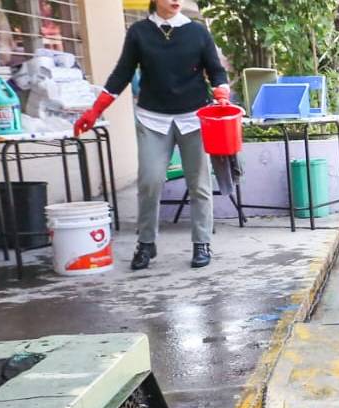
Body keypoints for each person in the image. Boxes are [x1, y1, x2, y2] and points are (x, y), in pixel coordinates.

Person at [76, 0, 229, 270]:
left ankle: (201, 243)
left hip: (194, 117)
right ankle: (146, 243)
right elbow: (122, 73)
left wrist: (221, 91)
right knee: (150, 180)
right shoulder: (139, 33)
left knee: (199, 184)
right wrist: (95, 110)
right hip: (152, 118)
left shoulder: (197, 32)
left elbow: (215, 70)